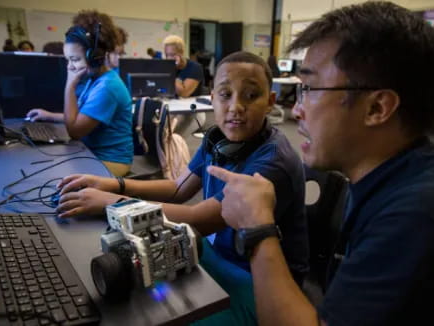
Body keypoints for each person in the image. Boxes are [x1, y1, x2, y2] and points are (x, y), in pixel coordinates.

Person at [207, 2, 434, 326]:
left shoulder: (419, 220)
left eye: (309, 89)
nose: (297, 111)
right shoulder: (399, 180)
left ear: (377, 107)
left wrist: (258, 228)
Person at [55, 51, 309, 324]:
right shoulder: (218, 139)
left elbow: (200, 219)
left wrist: (111, 202)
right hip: (220, 253)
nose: (236, 106)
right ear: (212, 98)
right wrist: (114, 184)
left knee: (155, 313)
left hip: (261, 283)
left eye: (250, 95)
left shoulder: (272, 162)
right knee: (141, 289)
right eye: (225, 94)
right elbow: (179, 189)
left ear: (270, 102)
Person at [26, 10, 133, 177]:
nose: (70, 66)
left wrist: (70, 84)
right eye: (68, 60)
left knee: (53, 176)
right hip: (92, 154)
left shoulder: (107, 87)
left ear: (95, 57)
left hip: (110, 161)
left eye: (74, 59)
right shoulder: (94, 80)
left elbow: (74, 131)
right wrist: (49, 116)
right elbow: (81, 117)